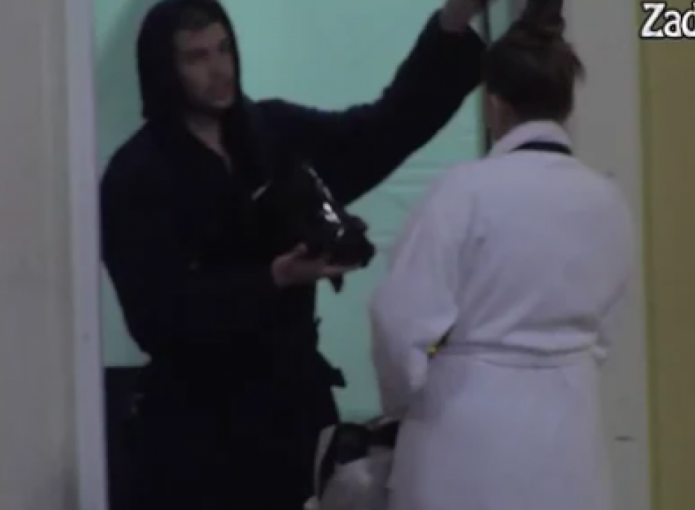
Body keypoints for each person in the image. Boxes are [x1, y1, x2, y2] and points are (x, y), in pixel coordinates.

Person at [100, 0, 489, 508]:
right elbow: (154, 317)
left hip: (292, 410)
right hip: (197, 430)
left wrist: (451, 25)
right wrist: (272, 279)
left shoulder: (271, 134)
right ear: (164, 70)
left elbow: (379, 133)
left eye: (223, 49)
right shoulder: (135, 176)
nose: (219, 69)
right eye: (196, 57)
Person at [369, 11, 635, 510]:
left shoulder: (462, 191)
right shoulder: (607, 200)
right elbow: (606, 331)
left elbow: (399, 320)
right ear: (566, 104)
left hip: (464, 435)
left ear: (494, 104)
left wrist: (402, 400)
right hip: (571, 436)